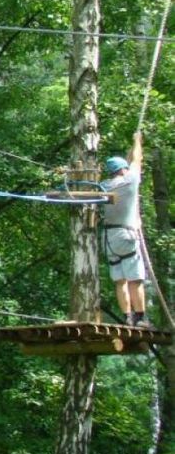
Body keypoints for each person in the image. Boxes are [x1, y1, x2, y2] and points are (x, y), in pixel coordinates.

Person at [100, 131, 148, 326]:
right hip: (126, 236)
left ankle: (128, 317)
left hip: (108, 238)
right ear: (123, 170)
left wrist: (130, 153)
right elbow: (137, 159)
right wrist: (137, 141)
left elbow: (130, 163)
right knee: (135, 279)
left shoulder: (104, 185)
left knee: (120, 281)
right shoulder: (130, 182)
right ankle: (141, 318)